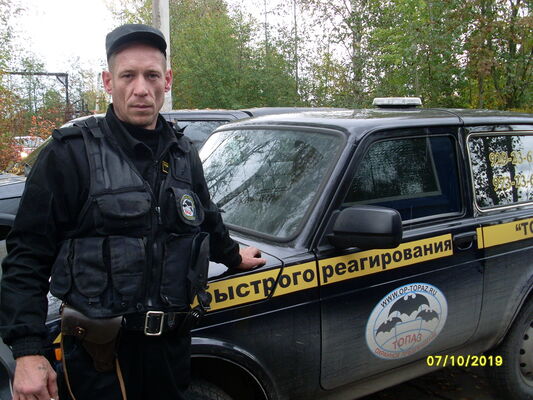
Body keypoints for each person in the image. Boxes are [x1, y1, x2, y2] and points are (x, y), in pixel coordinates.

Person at [0, 24, 266, 400]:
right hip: (99, 359)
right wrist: (28, 351)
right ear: (108, 82)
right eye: (128, 76)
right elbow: (28, 255)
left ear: (167, 81)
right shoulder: (71, 154)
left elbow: (204, 217)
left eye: (152, 75)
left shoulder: (183, 153)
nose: (141, 88)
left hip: (171, 350)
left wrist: (232, 255)